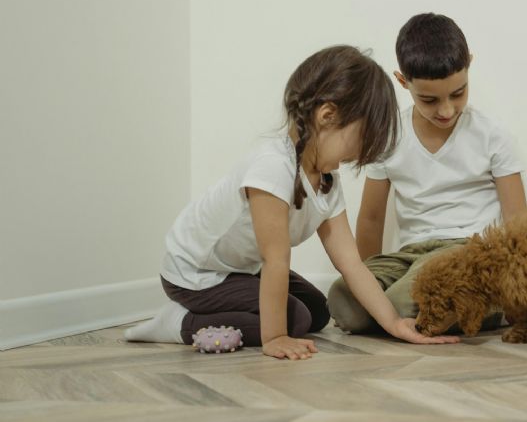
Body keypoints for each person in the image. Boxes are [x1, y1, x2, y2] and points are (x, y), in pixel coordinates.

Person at [125, 45, 459, 360]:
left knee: (317, 310)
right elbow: (276, 259)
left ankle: (218, 315)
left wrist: (393, 323)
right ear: (327, 115)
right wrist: (274, 339)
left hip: (240, 270)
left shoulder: (328, 181)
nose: (359, 154)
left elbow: (351, 264)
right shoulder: (272, 166)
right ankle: (180, 322)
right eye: (361, 140)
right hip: (196, 272)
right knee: (294, 320)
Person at [328, 14, 527, 333]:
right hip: (411, 255)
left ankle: (478, 303)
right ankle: (420, 314)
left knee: (406, 297)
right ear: (402, 81)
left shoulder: (492, 135)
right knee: (343, 298)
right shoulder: (391, 135)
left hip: (471, 249)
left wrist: (521, 292)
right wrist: (367, 281)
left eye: (458, 93)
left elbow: (519, 222)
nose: (447, 110)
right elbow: (370, 218)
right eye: (429, 100)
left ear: (469, 67)